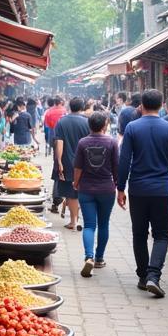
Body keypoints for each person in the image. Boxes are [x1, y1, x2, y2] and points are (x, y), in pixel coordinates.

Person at [116, 89, 168, 298]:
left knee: (139, 234)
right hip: (161, 189)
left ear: (141, 106)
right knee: (161, 235)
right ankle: (154, 275)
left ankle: (143, 277)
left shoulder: (132, 128)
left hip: (137, 189)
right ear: (162, 104)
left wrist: (120, 188)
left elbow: (124, 160)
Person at [73, 110, 119, 278]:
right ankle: (99, 258)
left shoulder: (82, 143)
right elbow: (116, 168)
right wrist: (118, 186)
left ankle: (89, 257)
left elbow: (78, 167)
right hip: (107, 189)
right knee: (104, 224)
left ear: (89, 125)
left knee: (89, 225)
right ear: (105, 125)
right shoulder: (112, 142)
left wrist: (76, 183)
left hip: (86, 189)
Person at [53, 98, 91, 230]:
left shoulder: (62, 121)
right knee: (81, 190)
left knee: (71, 192)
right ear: (82, 107)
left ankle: (74, 221)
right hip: (85, 162)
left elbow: (59, 142)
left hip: (68, 162)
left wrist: (59, 162)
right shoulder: (87, 122)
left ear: (70, 107)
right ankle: (79, 218)